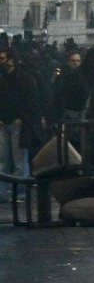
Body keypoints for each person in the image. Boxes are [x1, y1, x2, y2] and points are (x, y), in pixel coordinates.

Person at [0, 47, 37, 201]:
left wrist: (22, 119)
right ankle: (8, 192)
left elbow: (32, 101)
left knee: (18, 160)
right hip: (5, 123)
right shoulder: (5, 79)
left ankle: (19, 191)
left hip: (17, 124)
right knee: (4, 159)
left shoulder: (25, 79)